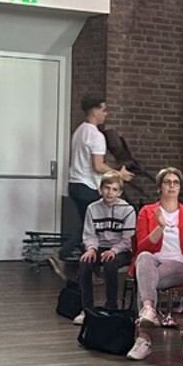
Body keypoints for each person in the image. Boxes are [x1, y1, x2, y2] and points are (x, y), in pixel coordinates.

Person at [127, 168, 183, 361]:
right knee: (144, 257)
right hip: (153, 260)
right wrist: (160, 227)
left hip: (180, 264)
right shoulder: (147, 211)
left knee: (145, 280)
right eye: (167, 182)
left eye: (176, 182)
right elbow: (142, 247)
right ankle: (149, 309)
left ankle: (143, 339)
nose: (172, 186)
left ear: (180, 187)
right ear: (159, 187)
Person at [60, 95, 132, 260]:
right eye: (103, 110)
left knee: (86, 223)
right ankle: (67, 253)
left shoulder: (79, 131)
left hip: (74, 185)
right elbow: (98, 166)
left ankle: (76, 254)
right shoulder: (96, 136)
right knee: (94, 224)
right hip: (87, 186)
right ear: (94, 111)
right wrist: (119, 174)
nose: (105, 114)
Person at [74, 172, 136, 322]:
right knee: (84, 263)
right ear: (100, 189)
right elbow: (89, 234)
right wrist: (91, 249)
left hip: (122, 249)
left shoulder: (128, 210)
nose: (110, 192)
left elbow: (128, 239)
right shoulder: (92, 208)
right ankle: (87, 309)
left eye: (114, 189)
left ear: (120, 192)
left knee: (110, 264)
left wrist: (114, 250)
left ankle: (111, 308)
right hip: (99, 246)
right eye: (107, 188)